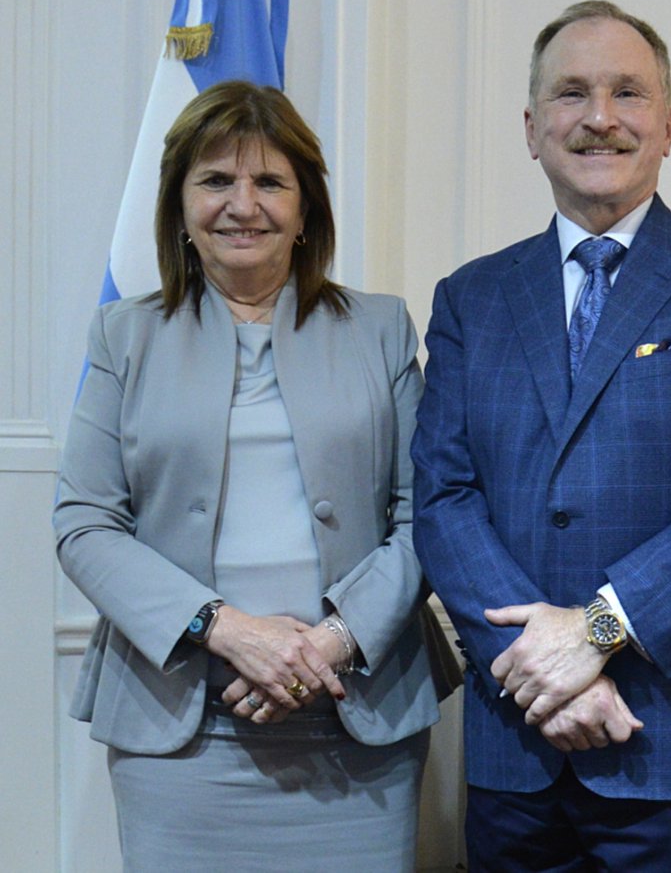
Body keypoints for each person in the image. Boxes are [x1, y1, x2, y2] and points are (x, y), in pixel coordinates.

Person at [411, 0, 671, 871]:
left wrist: (595, 632)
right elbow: (442, 498)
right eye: (571, 94)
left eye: (628, 93)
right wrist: (535, 666)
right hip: (518, 742)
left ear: (669, 125)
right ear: (531, 128)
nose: (600, 117)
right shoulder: (470, 299)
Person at [54, 81, 444, 872]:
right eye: (216, 180)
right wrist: (226, 628)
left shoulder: (378, 328)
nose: (243, 205)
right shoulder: (124, 335)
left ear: (306, 212)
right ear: (179, 206)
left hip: (355, 719)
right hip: (180, 731)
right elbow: (84, 521)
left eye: (270, 182)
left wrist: (332, 642)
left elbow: (428, 514)